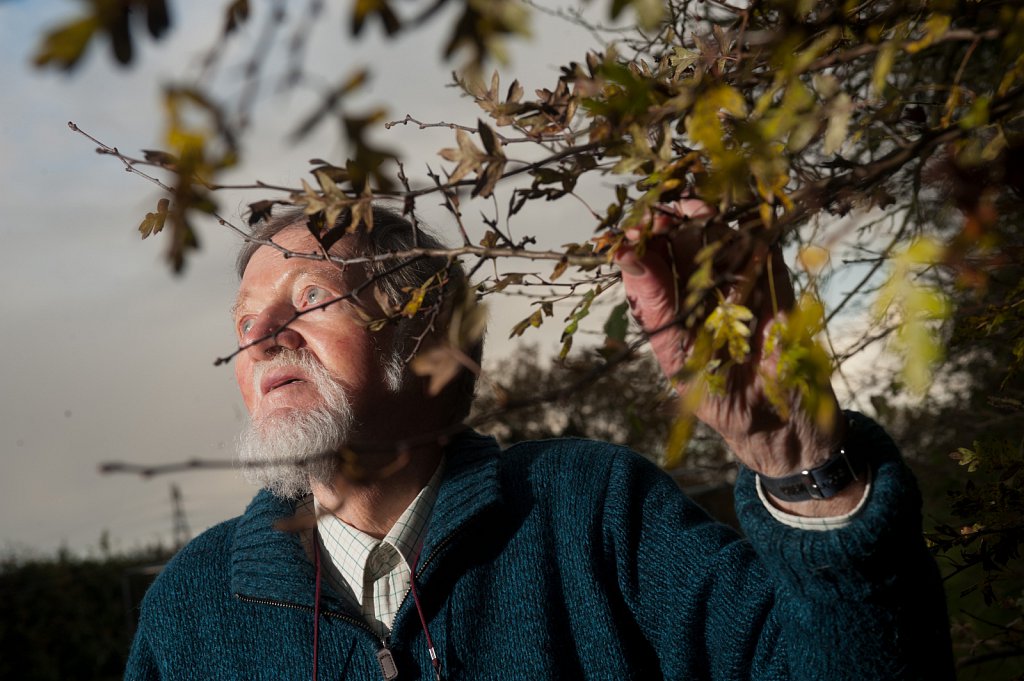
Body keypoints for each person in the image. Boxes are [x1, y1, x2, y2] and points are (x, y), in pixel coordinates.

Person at [126, 203, 954, 680]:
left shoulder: (591, 511)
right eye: (244, 318)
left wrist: (798, 462)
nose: (262, 333)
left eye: (309, 297)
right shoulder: (190, 605)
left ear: (434, 348)